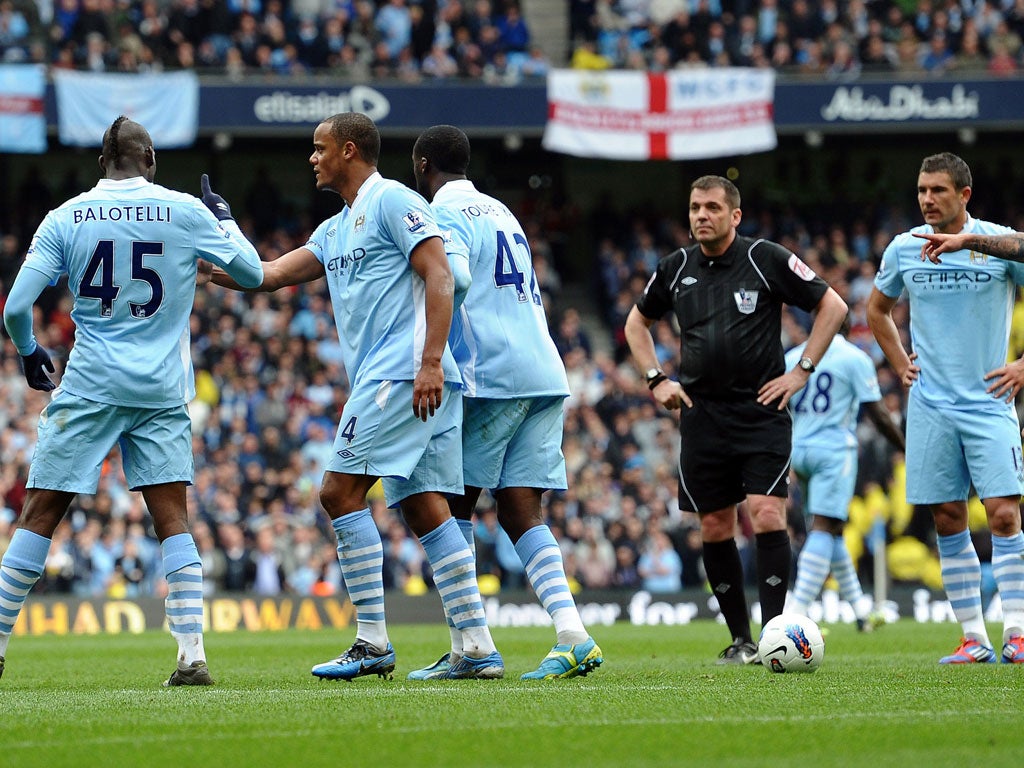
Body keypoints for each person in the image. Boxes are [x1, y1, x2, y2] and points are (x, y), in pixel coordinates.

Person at [209, 112, 503, 681]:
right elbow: (267, 275)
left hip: (404, 375)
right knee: (423, 505)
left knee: (338, 492)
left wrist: (430, 361)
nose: (311, 158)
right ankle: (477, 646)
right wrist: (222, 250)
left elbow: (441, 274)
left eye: (318, 149)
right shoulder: (335, 228)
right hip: (405, 379)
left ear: (348, 149)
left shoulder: (392, 201)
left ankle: (372, 641)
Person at [0, 115, 265, 686]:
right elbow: (251, 272)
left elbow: (16, 308)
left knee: (40, 514)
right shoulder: (185, 210)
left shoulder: (65, 216)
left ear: (102, 162)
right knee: (173, 521)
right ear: (150, 159)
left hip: (92, 383)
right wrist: (223, 218)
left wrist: (28, 351)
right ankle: (192, 654)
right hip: (161, 389)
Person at [623, 175, 848, 664]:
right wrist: (655, 378)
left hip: (761, 410)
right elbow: (636, 322)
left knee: (767, 512)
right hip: (702, 415)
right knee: (715, 525)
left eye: (711, 208)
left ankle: (774, 632)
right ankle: (741, 638)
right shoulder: (675, 267)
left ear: (734, 215)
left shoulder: (765, 258)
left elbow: (832, 304)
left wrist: (802, 370)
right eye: (694, 208)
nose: (701, 215)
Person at [405, 124, 602, 680]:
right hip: (543, 370)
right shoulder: (501, 210)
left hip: (491, 374)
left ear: (422, 167)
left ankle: (471, 646)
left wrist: (429, 346)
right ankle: (573, 634)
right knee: (520, 509)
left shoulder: (443, 215)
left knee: (452, 503)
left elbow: (455, 278)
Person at [868, 152, 1024, 664]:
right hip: (930, 404)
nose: (927, 199)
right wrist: (898, 362)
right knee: (947, 516)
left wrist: (1022, 365)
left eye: (937, 190)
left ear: (964, 195)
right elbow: (877, 309)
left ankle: (1018, 632)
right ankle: (974, 639)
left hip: (989, 401)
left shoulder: (996, 242)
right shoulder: (903, 249)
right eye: (921, 191)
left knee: (1003, 514)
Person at [784, 317, 906, 628]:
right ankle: (794, 615)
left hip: (799, 451)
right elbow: (877, 412)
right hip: (833, 451)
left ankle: (861, 613)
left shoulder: (792, 357)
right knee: (825, 528)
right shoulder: (854, 358)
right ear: (847, 328)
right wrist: (905, 447)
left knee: (833, 528)